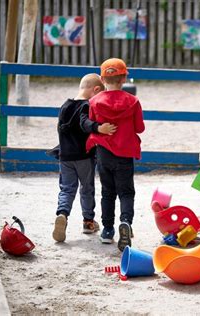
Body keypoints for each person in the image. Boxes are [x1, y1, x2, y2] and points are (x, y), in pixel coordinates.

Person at [86, 58, 145, 251]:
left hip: (104, 154)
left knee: (107, 192)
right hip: (125, 154)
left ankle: (108, 231)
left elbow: (93, 125)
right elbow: (140, 128)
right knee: (126, 192)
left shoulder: (94, 101)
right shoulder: (133, 101)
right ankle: (126, 222)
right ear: (124, 79)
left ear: (102, 80)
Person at [52, 74, 117, 243]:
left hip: (65, 156)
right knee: (86, 188)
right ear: (96, 90)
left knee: (66, 189)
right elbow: (86, 125)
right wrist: (99, 128)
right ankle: (88, 222)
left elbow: (59, 128)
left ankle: (62, 214)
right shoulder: (87, 106)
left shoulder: (65, 105)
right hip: (83, 157)